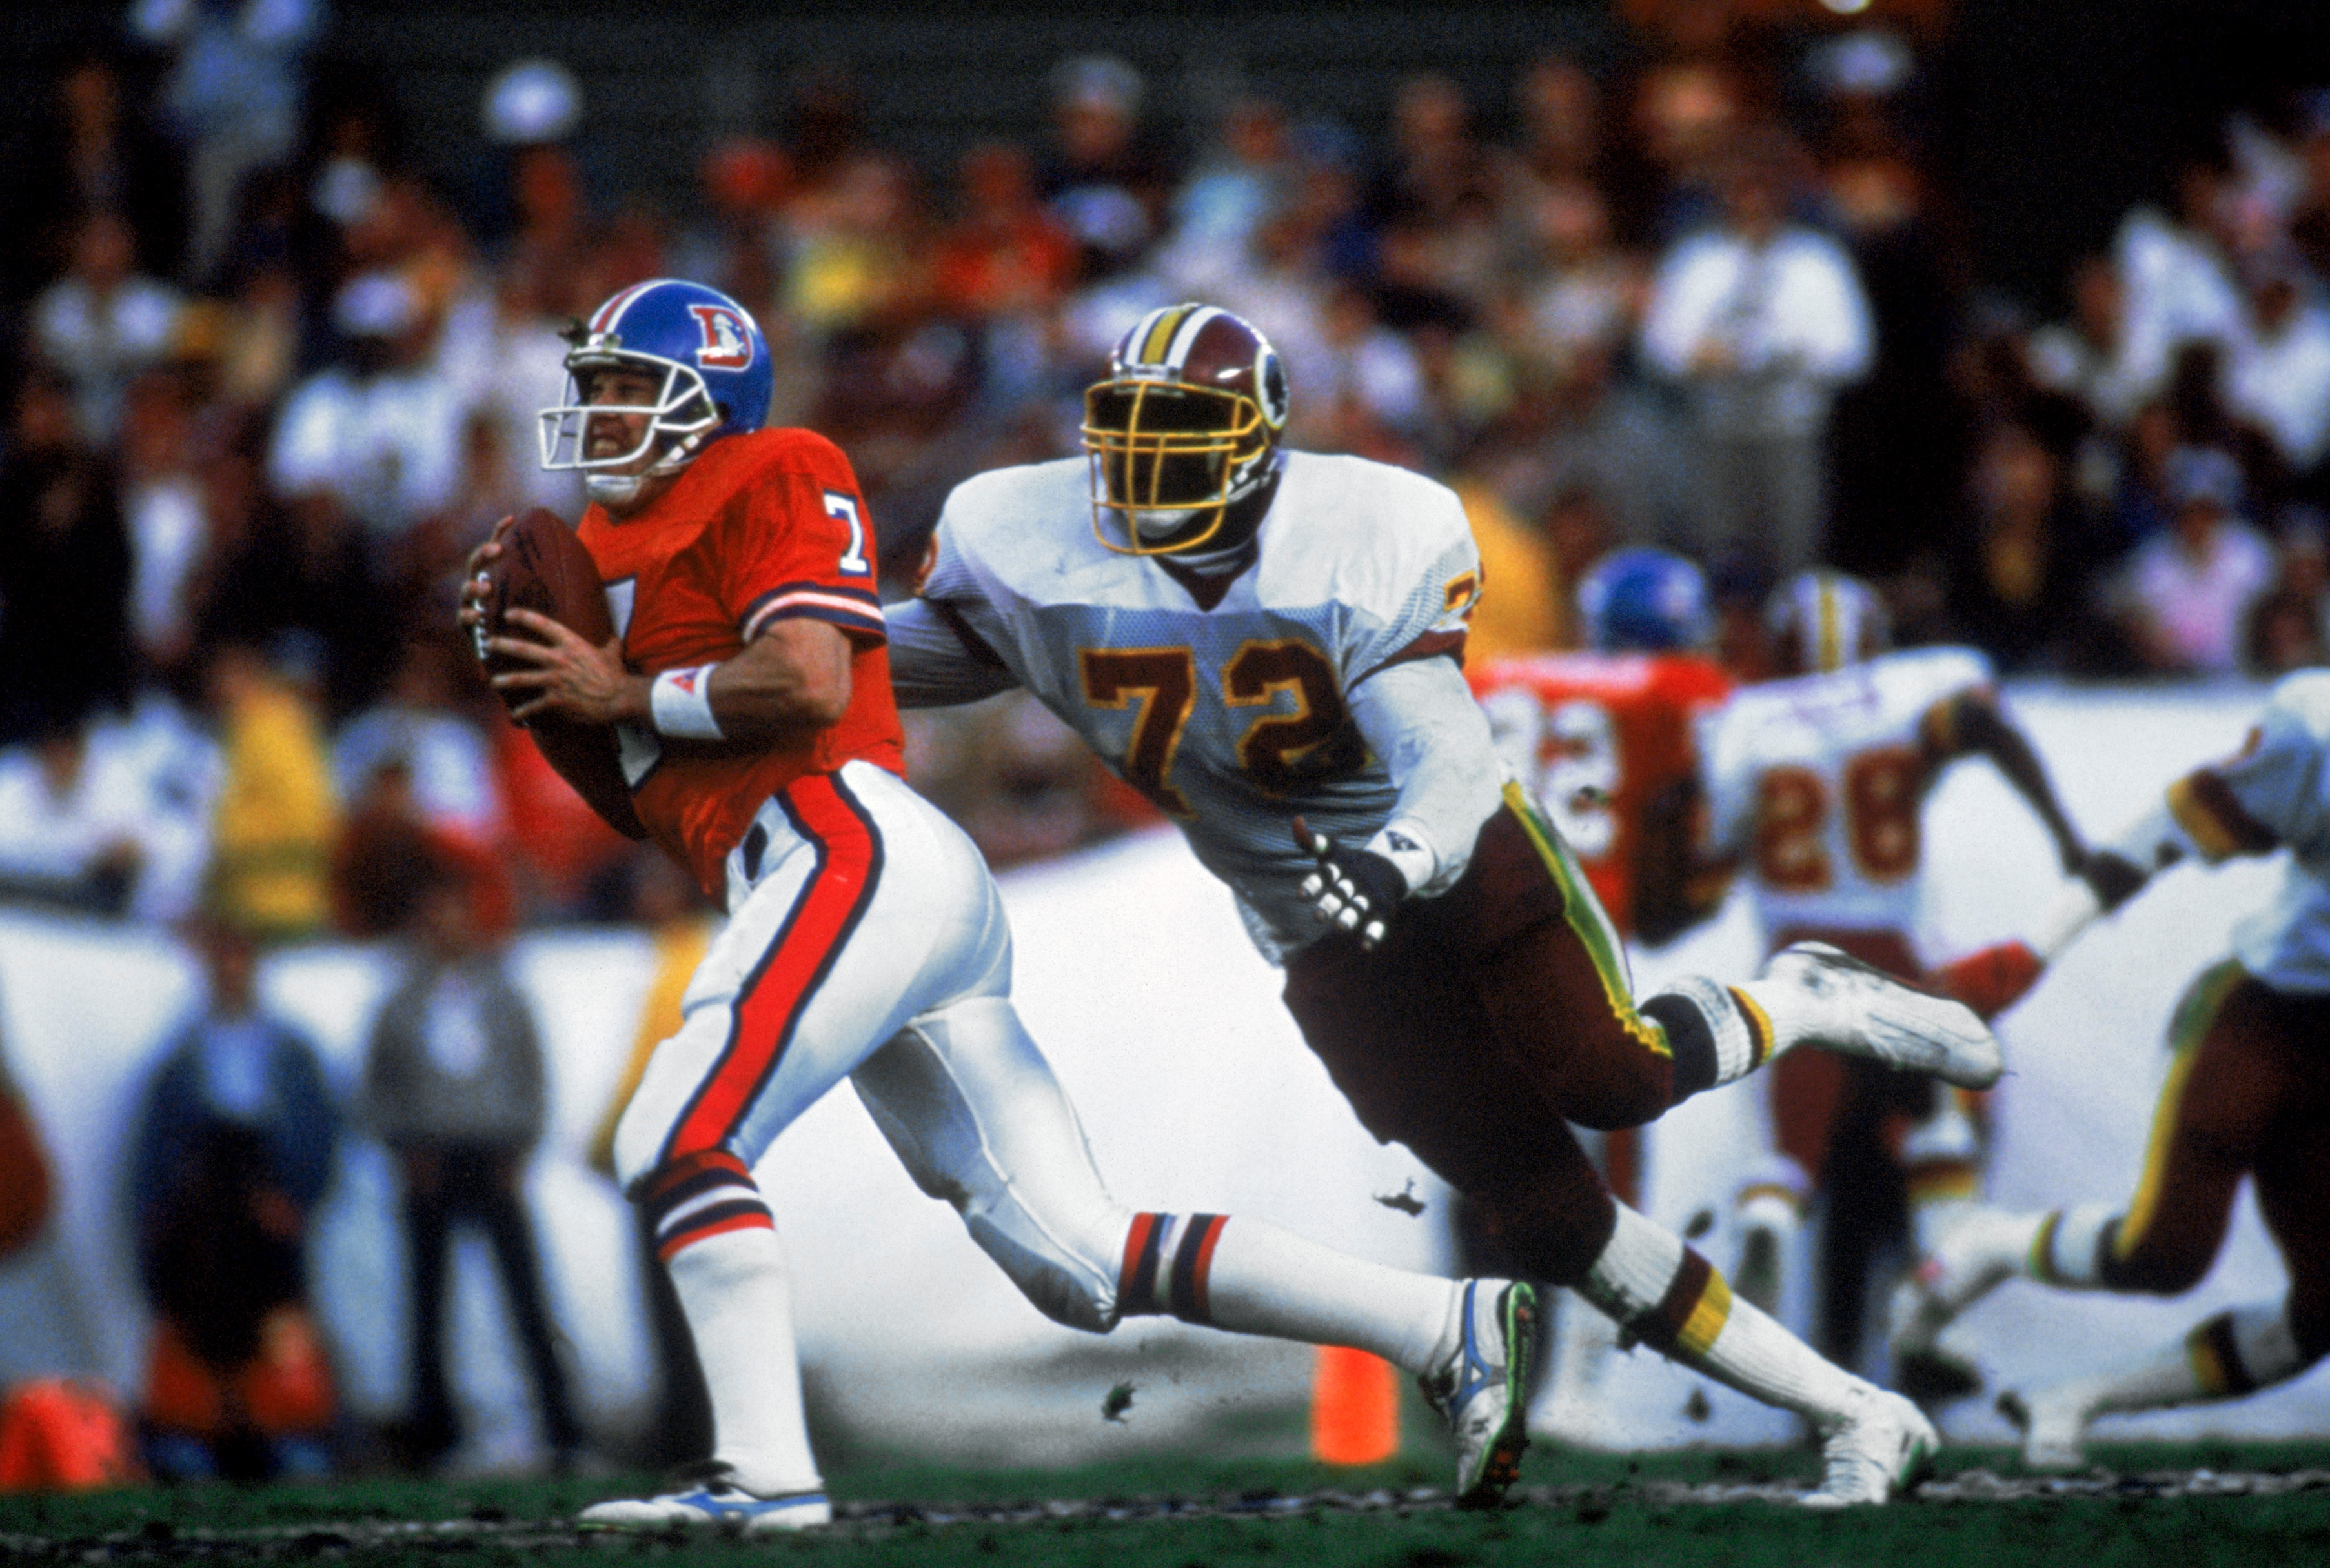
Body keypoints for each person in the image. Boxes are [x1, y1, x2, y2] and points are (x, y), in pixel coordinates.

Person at [470, 279, 1547, 1533]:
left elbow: (812, 678)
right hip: (814, 870)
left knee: (674, 1136)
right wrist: (555, 706)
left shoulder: (770, 472)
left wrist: (627, 697)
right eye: (590, 385)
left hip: (845, 847)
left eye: (626, 387)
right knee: (1073, 1259)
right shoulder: (601, 557)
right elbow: (650, 797)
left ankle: (763, 1481)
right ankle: (1440, 1322)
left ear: (708, 404)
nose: (597, 411)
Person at [884, 301, 2003, 1504]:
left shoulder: (1363, 528)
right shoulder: (1025, 534)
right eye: (1129, 426)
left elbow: (1455, 763)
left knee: (1612, 1078)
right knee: (1550, 1222)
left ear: (1259, 441)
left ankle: (1811, 998)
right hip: (1310, 925)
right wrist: (767, 653)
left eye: (1185, 428)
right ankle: (1859, 1410)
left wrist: (1397, 858)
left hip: (1458, 858)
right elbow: (930, 657)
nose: (1146, 459)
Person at [1887, 670, 2330, 1467]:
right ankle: (1985, 1246)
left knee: (2324, 1314)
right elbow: (2171, 825)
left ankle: (2077, 1397)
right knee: (2162, 1253)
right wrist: (2037, 947)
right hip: (2269, 1017)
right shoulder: (2316, 730)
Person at [1663, 571, 2087, 1390]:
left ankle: (1767, 1232)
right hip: (1891, 956)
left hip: (1790, 963)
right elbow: (1982, 722)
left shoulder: (1745, 720)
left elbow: (1706, 866)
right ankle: (1941, 1316)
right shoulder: (1909, 690)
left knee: (1789, 1153)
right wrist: (2061, 831)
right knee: (1940, 1131)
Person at [1462, 547, 1732, 1444]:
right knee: (1611, 1152)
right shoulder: (1674, 687)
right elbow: (1693, 830)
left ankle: (1481, 1380)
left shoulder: (1496, 674)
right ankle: (1573, 1387)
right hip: (1574, 931)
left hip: (1467, 927)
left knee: (1484, 1167)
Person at [360, 850, 582, 1471]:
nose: (447, 925)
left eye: (456, 912)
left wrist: (521, 1147)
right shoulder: (401, 1001)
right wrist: (403, 1148)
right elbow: (378, 1088)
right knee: (428, 1301)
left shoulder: (504, 994)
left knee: (527, 1297)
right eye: (435, 914)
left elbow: (533, 1077)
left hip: (494, 1155)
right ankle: (433, 1431)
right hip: (429, 1158)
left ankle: (562, 1425)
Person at [129, 909, 339, 1481]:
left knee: (281, 1328)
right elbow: (155, 1149)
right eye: (220, 962)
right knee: (201, 1326)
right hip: (204, 1218)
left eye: (240, 960)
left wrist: (295, 1198)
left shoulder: (293, 1053)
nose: (231, 973)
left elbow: (321, 1132)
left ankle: (289, 1432)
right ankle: (200, 1433)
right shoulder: (180, 1059)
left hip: (270, 1209)